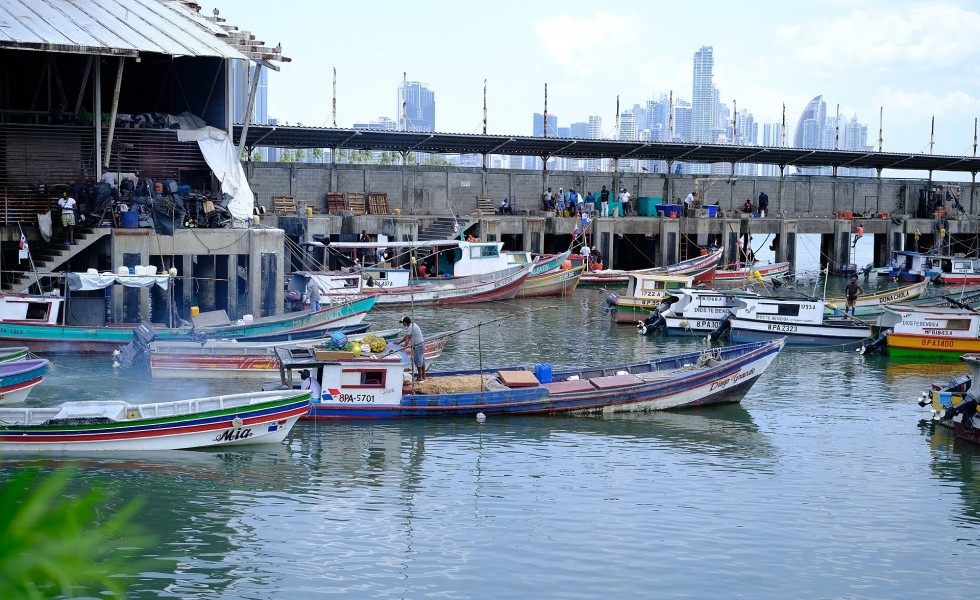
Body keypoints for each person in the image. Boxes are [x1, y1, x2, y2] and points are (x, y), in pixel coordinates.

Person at [398, 316, 426, 381]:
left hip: (418, 346)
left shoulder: (411, 327)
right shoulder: (413, 325)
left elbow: (408, 338)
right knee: (422, 361)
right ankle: (423, 376)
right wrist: (399, 342)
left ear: (405, 323)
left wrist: (404, 348)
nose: (403, 324)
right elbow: (406, 336)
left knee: (418, 361)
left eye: (403, 323)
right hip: (421, 344)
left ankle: (420, 377)